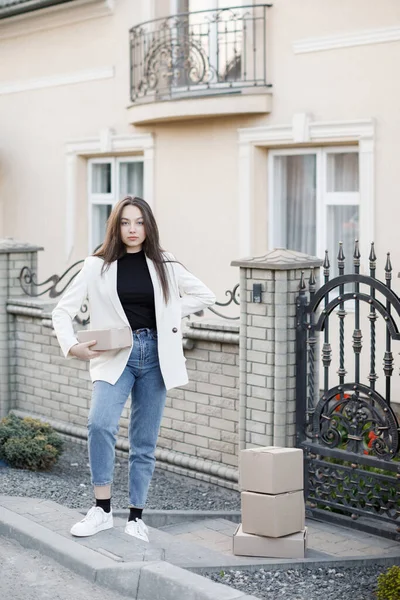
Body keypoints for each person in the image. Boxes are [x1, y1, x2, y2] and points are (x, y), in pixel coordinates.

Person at [52, 196, 216, 542]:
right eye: (126, 222)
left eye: (139, 222)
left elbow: (206, 296)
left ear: (148, 226)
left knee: (144, 441)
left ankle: (136, 518)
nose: (132, 229)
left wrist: (169, 313)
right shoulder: (96, 265)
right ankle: (102, 510)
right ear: (116, 226)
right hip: (116, 355)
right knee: (100, 423)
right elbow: (61, 311)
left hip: (156, 355)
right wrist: (72, 346)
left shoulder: (164, 263)